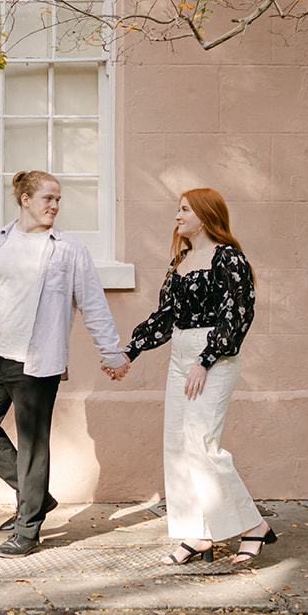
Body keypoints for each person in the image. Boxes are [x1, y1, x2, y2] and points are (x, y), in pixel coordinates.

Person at [0, 170, 130, 558]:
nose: (54, 206)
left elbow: (94, 305)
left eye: (58, 200)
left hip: (38, 364)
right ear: (25, 200)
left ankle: (28, 529)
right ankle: (36, 496)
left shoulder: (68, 250)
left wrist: (112, 353)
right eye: (48, 199)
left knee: (34, 446)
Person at [116, 188, 275, 567]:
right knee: (176, 444)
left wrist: (204, 360)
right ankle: (199, 532)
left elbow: (237, 315)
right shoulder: (181, 261)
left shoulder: (229, 258)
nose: (177, 216)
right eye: (178, 209)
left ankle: (253, 526)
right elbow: (165, 317)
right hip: (180, 354)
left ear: (205, 215)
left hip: (214, 355)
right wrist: (130, 351)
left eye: (184, 209)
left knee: (201, 444)